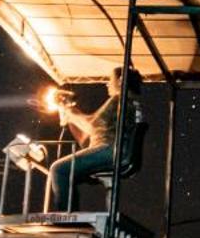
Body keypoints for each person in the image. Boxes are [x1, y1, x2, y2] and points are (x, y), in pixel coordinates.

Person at [46, 66, 145, 211]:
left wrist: (67, 109)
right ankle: (68, 216)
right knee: (67, 173)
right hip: (115, 149)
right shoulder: (130, 102)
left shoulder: (118, 100)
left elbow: (91, 125)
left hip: (109, 149)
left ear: (121, 80)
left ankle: (65, 218)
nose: (107, 83)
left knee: (58, 170)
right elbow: (87, 137)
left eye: (110, 79)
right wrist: (70, 113)